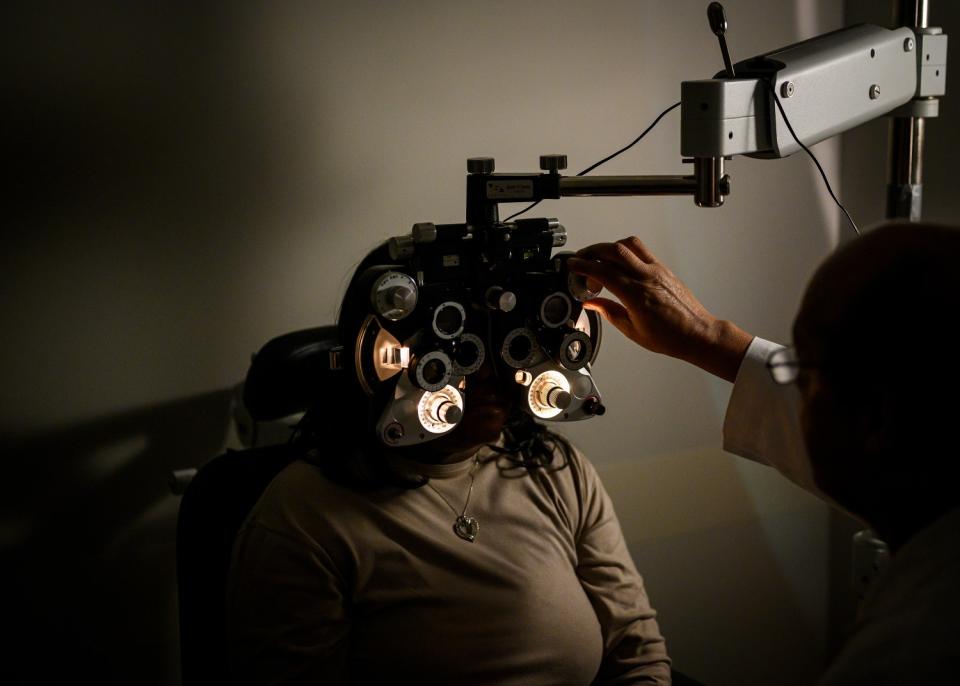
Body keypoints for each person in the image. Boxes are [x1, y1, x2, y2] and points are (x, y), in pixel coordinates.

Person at [225, 242, 675, 685]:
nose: (490, 372)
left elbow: (635, 649)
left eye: (505, 341)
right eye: (462, 351)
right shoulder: (303, 515)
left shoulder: (555, 469)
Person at [568, 222, 960, 685]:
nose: (795, 387)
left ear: (876, 418)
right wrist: (707, 336)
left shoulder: (914, 647)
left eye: (802, 367)